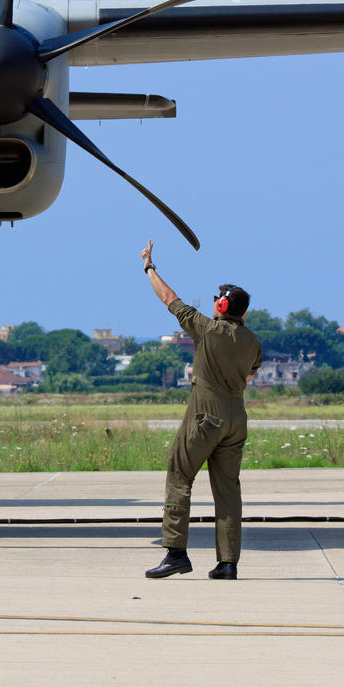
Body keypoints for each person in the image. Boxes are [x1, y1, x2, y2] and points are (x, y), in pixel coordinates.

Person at [141, 239, 262, 580]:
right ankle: (228, 563)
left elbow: (169, 299)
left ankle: (176, 551)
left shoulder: (208, 330)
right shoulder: (252, 341)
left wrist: (150, 267)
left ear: (222, 305)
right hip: (237, 420)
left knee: (179, 474)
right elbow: (251, 372)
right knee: (227, 490)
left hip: (205, 417)